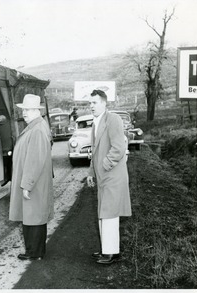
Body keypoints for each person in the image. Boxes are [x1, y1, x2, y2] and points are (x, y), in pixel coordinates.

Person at [86, 89, 131, 265]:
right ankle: (107, 249)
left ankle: (111, 253)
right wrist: (91, 172)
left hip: (113, 175)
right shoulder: (95, 123)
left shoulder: (113, 119)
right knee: (103, 213)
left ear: (104, 103)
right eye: (90, 103)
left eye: (94, 102)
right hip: (103, 177)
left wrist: (105, 165)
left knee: (110, 214)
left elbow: (119, 147)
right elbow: (94, 152)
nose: (91, 106)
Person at [9, 94, 54, 261]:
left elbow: (34, 161)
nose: (24, 113)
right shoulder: (36, 126)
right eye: (24, 110)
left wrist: (27, 184)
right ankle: (33, 251)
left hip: (34, 182)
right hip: (34, 181)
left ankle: (35, 253)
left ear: (37, 111)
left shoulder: (37, 130)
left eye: (27, 110)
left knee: (34, 217)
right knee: (31, 216)